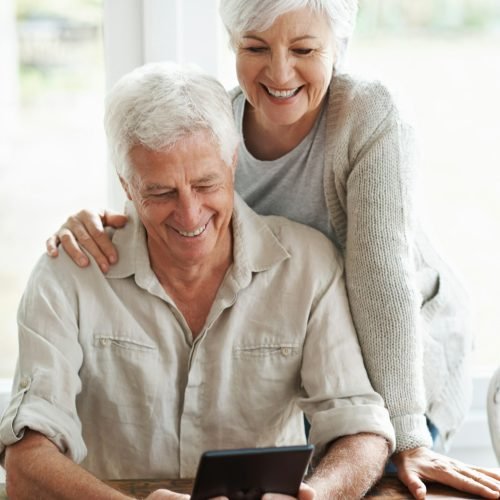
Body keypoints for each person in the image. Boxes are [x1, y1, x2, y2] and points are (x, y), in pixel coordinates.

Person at [44, 1, 500, 498]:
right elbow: (168, 197)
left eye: (304, 48)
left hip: (405, 348)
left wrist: (408, 435)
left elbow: (381, 275)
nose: (280, 71)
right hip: (315, 341)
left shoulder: (369, 114)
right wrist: (99, 224)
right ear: (233, 45)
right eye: (255, 47)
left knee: (380, 479)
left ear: (338, 47)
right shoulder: (217, 121)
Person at [0, 62, 396, 500]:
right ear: (127, 186)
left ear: (231, 162)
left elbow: (360, 427)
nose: (190, 215)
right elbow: (26, 459)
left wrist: (317, 496)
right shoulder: (66, 276)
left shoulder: (308, 266)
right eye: (161, 192)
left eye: (206, 184)